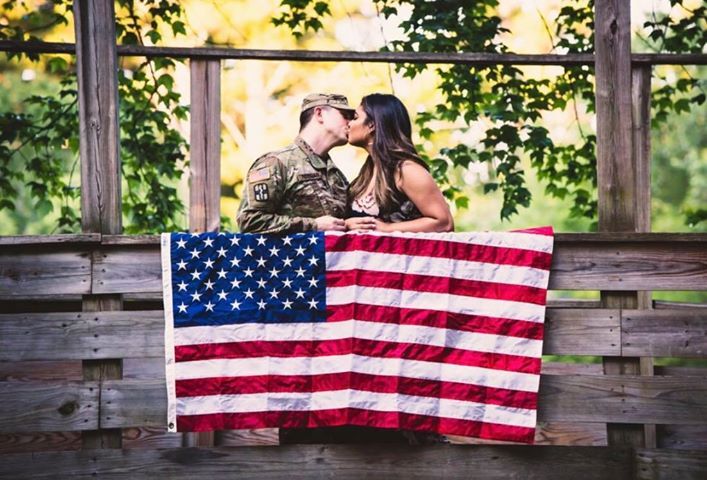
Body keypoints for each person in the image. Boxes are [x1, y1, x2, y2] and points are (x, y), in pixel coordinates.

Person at [237, 93, 355, 234]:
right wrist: (313, 225)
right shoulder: (275, 163)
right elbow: (249, 221)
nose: (351, 123)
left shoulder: (336, 174)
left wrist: (346, 224)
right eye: (345, 115)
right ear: (319, 114)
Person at [343, 93, 454, 233]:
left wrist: (388, 228)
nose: (348, 123)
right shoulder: (365, 174)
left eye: (355, 118)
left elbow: (444, 223)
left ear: (372, 125)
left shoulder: (407, 170)